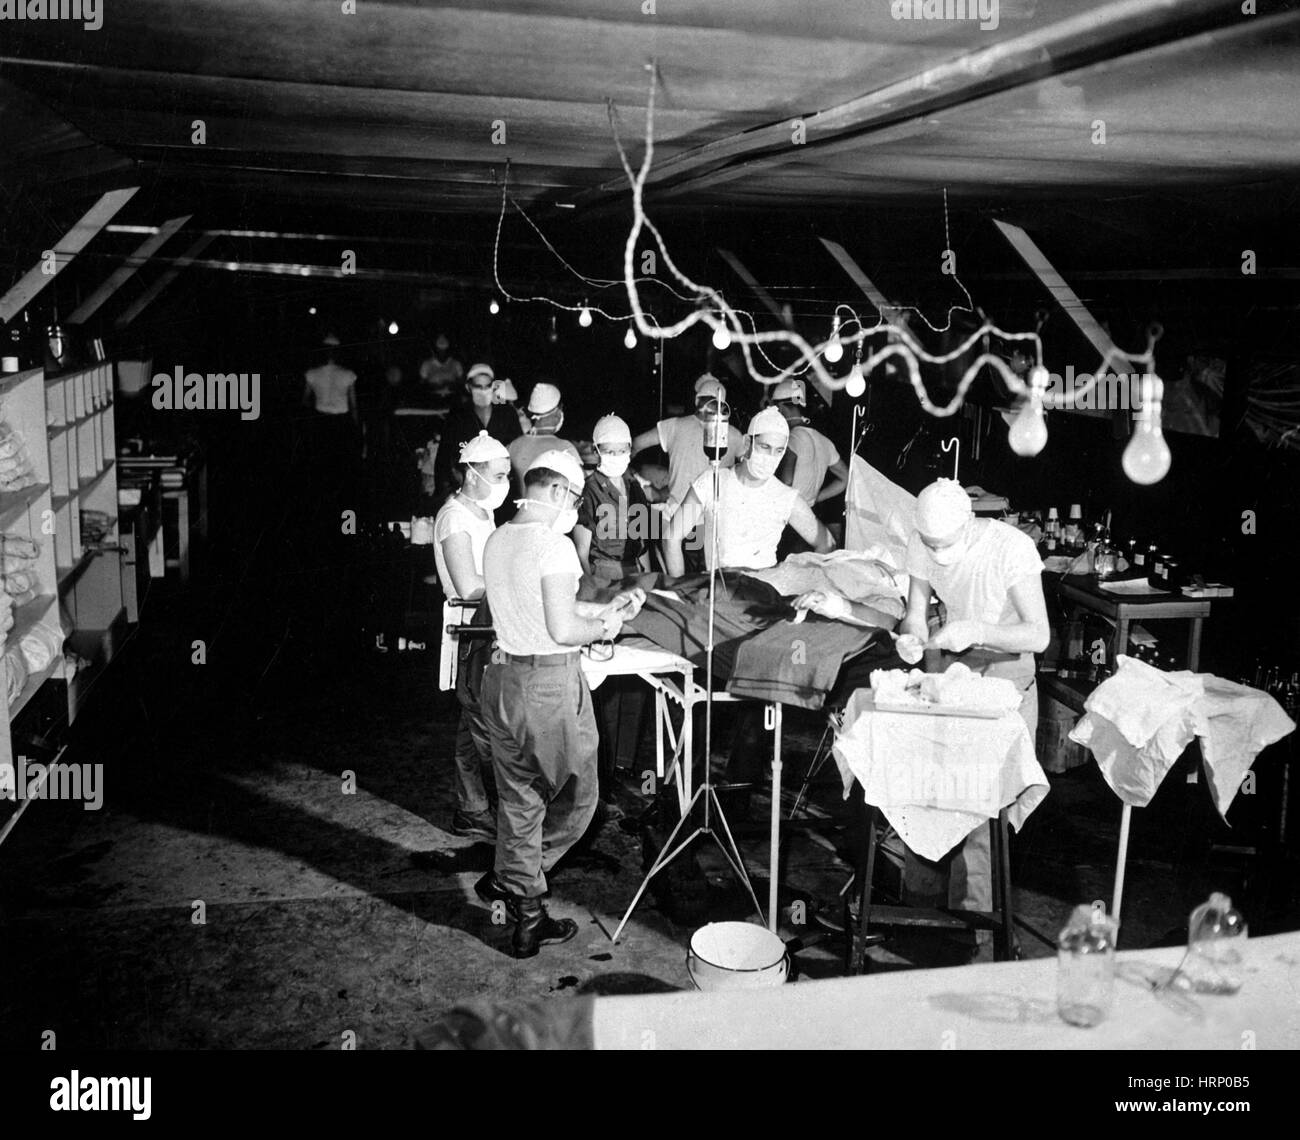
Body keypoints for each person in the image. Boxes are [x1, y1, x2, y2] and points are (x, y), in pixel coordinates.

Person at [478, 449, 646, 958]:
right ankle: (518, 876)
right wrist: (605, 625)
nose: (576, 507)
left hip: (502, 681)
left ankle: (526, 913)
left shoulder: (498, 538)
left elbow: (539, 604)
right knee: (580, 799)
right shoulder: (555, 546)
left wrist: (602, 607)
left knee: (520, 800)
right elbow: (562, 628)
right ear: (555, 492)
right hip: (549, 690)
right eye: (574, 497)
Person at [896, 477, 1049, 942]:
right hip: (958, 671)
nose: (936, 551)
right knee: (925, 784)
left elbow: (1038, 636)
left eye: (944, 543)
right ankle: (917, 914)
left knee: (979, 802)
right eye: (930, 544)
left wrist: (977, 629)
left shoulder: (1011, 549)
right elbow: (917, 610)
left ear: (968, 523)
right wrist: (912, 637)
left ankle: (973, 928)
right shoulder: (924, 542)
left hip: (1006, 673)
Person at [432, 431, 514, 842]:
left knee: (471, 723)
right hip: (471, 628)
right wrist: (518, 584)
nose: (504, 484)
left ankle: (472, 810)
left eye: (506, 476)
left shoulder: (483, 512)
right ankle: (497, 809)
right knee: (484, 724)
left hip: (491, 623)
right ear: (471, 474)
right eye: (497, 476)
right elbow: (467, 584)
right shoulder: (454, 516)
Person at [663, 406, 836, 576]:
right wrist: (681, 586)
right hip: (720, 593)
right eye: (765, 447)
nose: (770, 458)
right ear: (747, 443)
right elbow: (671, 537)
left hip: (761, 596)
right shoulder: (712, 482)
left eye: (779, 451)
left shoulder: (786, 497)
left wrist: (800, 584)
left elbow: (827, 543)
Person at [574, 414, 652, 585]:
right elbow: (581, 552)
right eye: (610, 452)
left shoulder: (635, 487)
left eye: (622, 451)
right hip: (603, 573)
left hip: (634, 569)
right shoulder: (589, 491)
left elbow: (642, 544)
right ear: (596, 451)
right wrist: (591, 589)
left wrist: (647, 578)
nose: (617, 457)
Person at [433, 362, 523, 502]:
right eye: (478, 386)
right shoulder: (458, 416)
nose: (483, 390)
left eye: (487, 386)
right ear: (468, 387)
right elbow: (444, 459)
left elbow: (519, 451)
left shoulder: (506, 414)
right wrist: (447, 494)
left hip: (502, 491)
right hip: (469, 490)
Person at [768, 378, 848, 508]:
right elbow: (845, 478)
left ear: (781, 407)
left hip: (788, 514)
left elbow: (787, 481)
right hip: (808, 514)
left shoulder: (792, 438)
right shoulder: (824, 441)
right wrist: (815, 499)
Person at [507, 381, 581, 492]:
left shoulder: (513, 445)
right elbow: (580, 488)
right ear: (556, 413)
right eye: (561, 408)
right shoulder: (565, 448)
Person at [419, 334, 464, 412]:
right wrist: (434, 386)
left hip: (452, 400)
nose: (442, 353)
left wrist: (450, 385)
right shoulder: (427, 364)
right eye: (439, 350)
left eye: (444, 350)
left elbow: (461, 382)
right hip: (432, 401)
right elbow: (421, 384)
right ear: (435, 350)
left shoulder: (456, 364)